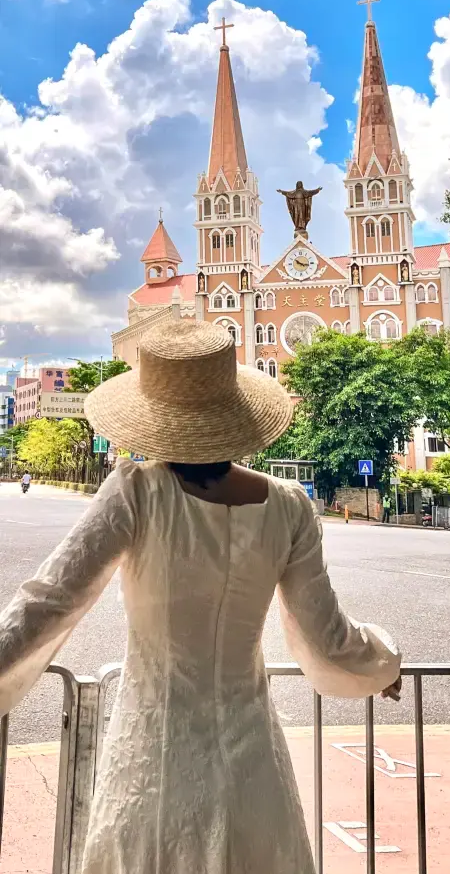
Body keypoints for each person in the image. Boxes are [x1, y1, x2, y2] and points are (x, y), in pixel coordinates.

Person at [0, 321, 401, 874]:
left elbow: (49, 601)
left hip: (153, 758)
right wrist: (381, 662)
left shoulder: (138, 491)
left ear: (153, 416)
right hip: (253, 760)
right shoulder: (290, 505)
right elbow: (327, 637)